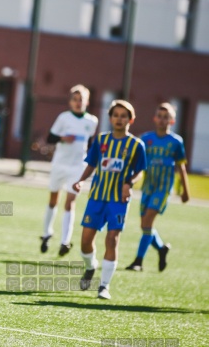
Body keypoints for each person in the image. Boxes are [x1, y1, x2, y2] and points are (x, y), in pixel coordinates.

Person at [72, 100, 146, 300]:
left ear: (131, 119)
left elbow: (140, 171)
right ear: (110, 118)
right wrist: (80, 181)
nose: (119, 119)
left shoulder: (136, 145)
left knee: (112, 240)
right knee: (85, 242)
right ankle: (90, 266)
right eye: (116, 115)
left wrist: (128, 183)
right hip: (97, 196)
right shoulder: (101, 140)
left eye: (123, 115)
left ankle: (104, 286)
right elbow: (91, 164)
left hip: (118, 200)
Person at [125, 103, 190, 272]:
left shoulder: (176, 142)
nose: (162, 120)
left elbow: (182, 166)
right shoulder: (146, 139)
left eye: (166, 117)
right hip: (148, 187)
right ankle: (161, 249)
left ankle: (138, 261)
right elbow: (136, 161)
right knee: (145, 226)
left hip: (163, 189)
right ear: (155, 118)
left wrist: (185, 190)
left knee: (147, 221)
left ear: (172, 121)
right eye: (159, 116)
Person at [41, 85, 98, 256]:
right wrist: (62, 138)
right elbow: (50, 138)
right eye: (75, 99)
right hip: (60, 164)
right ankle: (46, 234)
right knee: (53, 199)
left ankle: (65, 241)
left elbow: (90, 144)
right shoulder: (63, 118)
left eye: (81, 99)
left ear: (87, 102)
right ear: (70, 101)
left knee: (70, 202)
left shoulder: (92, 121)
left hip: (77, 167)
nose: (78, 102)